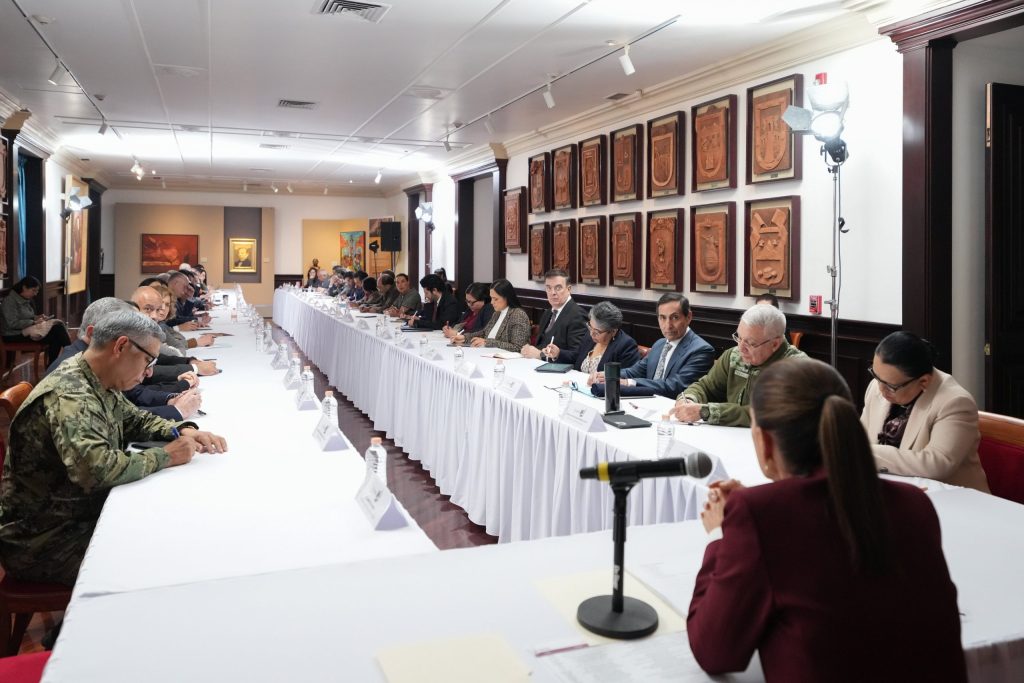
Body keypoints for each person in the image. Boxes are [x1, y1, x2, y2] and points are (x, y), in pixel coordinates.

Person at [688, 358, 966, 682]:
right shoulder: (915, 503)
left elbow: (715, 651)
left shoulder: (760, 515)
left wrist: (721, 535)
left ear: (764, 441)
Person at [0, 310, 228, 586]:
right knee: (169, 556)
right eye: (147, 359)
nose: (148, 372)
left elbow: (132, 417)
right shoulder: (72, 394)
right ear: (120, 346)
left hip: (74, 515)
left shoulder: (92, 375)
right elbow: (97, 471)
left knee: (175, 528)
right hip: (45, 541)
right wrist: (166, 455)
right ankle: (82, 627)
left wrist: (180, 430)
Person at [861, 331, 989, 492]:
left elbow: (938, 463)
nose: (880, 389)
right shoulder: (878, 385)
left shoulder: (954, 402)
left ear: (923, 381)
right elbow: (859, 437)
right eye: (876, 376)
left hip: (950, 498)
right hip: (892, 490)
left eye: (891, 387)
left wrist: (867, 453)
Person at [44, 298, 201, 421]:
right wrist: (170, 452)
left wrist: (174, 411)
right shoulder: (71, 379)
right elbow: (98, 459)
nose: (149, 372)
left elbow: (124, 416)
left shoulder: (94, 365)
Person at [674, 304, 805, 426]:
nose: (741, 348)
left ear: (775, 344)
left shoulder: (797, 368)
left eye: (750, 343)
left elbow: (765, 414)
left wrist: (706, 412)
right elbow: (705, 387)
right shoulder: (733, 356)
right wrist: (689, 399)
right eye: (739, 337)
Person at [593, 293, 714, 399]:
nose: (668, 325)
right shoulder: (660, 344)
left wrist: (629, 383)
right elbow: (634, 371)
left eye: (675, 317)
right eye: (662, 318)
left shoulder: (701, 350)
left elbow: (674, 387)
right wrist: (608, 374)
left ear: (688, 317)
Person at [542, 301, 640, 375]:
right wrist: (558, 353)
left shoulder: (626, 346)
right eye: (590, 327)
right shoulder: (590, 337)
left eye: (597, 332)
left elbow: (626, 376)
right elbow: (576, 357)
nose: (592, 334)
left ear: (613, 331)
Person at [1, 276, 72, 365]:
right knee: (57, 329)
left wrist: (37, 317)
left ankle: (53, 366)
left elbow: (26, 316)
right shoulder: (10, 301)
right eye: (33, 290)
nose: (35, 294)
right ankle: (71, 356)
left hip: (25, 331)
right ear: (24, 288)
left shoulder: (24, 299)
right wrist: (33, 322)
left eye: (37, 291)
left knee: (56, 333)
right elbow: (12, 323)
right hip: (13, 335)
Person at [520, 269, 587, 359]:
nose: (553, 293)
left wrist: (541, 355)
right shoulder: (548, 313)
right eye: (549, 288)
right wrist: (529, 351)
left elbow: (577, 356)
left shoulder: (578, 315)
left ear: (569, 289)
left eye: (558, 288)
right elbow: (542, 345)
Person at [450, 279, 530, 352]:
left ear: (507, 298)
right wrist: (464, 338)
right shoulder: (497, 313)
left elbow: (518, 347)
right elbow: (484, 332)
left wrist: (487, 342)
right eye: (491, 298)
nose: (492, 302)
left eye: (496, 299)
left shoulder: (518, 315)